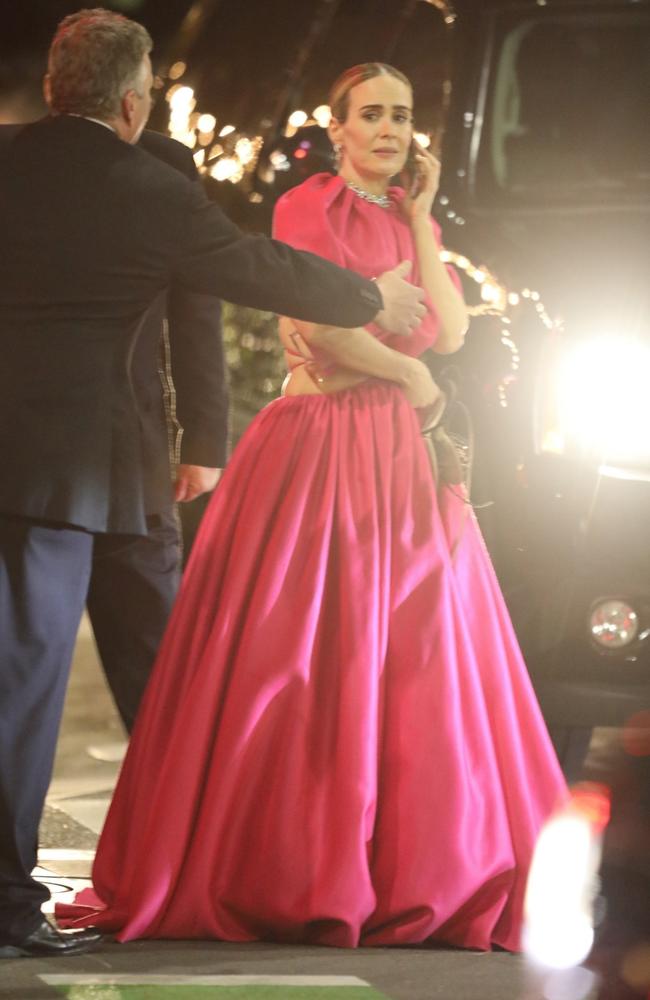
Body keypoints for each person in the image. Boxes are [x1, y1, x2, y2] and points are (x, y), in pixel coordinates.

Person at [57, 62, 567, 951]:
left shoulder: (412, 219)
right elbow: (321, 324)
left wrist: (417, 220)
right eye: (371, 115)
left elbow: (450, 330)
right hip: (324, 442)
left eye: (402, 116)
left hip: (403, 458)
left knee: (417, 660)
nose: (389, 130)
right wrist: (411, 376)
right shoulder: (306, 207)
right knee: (306, 655)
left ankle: (412, 865)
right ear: (336, 128)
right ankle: (304, 864)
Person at [0, 9, 427, 959]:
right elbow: (250, 267)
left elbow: (204, 299)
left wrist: (199, 431)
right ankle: (7, 903)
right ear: (131, 97)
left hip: (108, 470)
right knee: (34, 690)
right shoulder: (145, 184)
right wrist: (374, 297)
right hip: (65, 474)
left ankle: (193, 866)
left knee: (135, 676)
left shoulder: (16, 160)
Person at [86, 128, 226, 734]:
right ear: (132, 98)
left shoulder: (165, 165)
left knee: (154, 669)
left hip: (132, 452)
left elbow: (194, 309)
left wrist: (202, 438)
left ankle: (170, 817)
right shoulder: (23, 162)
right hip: (94, 458)